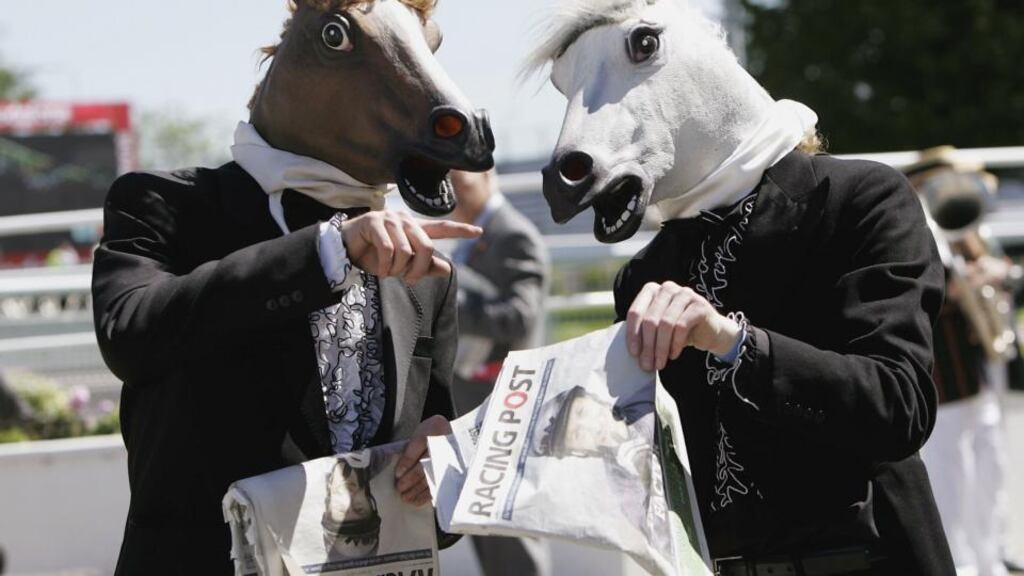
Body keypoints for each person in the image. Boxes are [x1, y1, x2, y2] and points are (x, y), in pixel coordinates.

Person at [906, 147, 1021, 576]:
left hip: (973, 369)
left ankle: (991, 556)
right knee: (951, 473)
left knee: (989, 464)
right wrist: (962, 285)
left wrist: (989, 272)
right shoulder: (916, 226)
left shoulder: (961, 230)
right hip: (941, 373)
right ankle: (963, 562)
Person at [447, 168, 551, 576]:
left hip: (504, 403)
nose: (451, 188)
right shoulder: (473, 232)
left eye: (460, 177)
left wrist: (448, 309)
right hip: (474, 401)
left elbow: (519, 318)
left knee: (511, 526)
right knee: (483, 522)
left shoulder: (513, 233)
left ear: (487, 172)